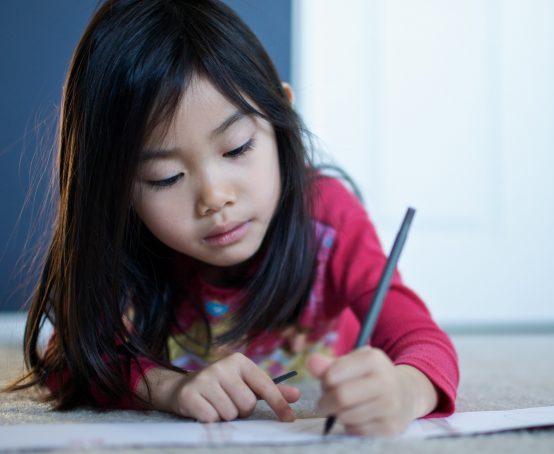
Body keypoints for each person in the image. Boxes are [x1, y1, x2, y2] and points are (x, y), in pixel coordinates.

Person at [5, 0, 458, 436]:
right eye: (165, 177)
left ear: (280, 117)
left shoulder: (328, 220)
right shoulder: (134, 240)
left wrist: (404, 391)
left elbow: (422, 341)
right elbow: (69, 362)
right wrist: (172, 388)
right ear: (117, 188)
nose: (215, 199)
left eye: (238, 148)